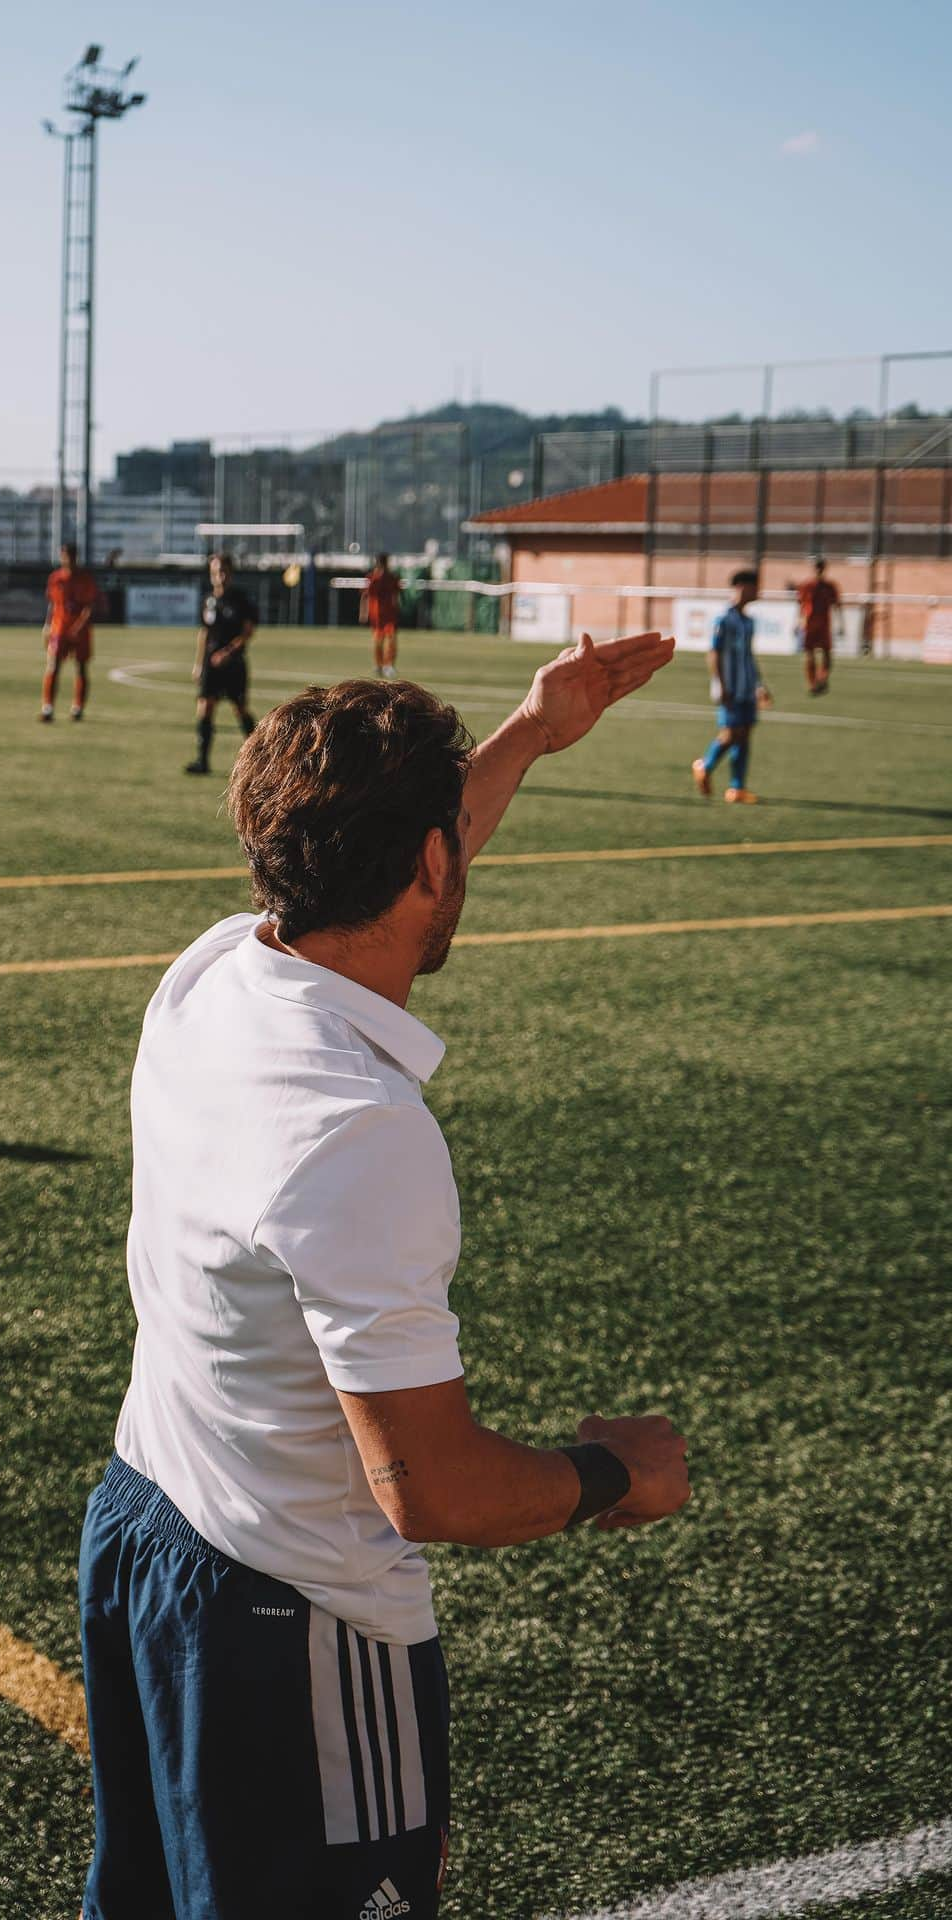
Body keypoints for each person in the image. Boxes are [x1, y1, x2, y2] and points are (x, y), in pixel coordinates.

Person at [77, 630, 689, 1920]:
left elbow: (392, 850)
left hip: (145, 1533)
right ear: (429, 863)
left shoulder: (213, 974)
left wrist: (529, 731)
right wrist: (614, 1479)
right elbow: (430, 1487)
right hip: (294, 1625)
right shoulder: (359, 1128)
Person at [691, 570, 771, 804]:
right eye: (754, 587)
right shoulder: (724, 619)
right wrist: (721, 684)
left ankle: (737, 788)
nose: (757, 592)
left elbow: (748, 656)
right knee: (731, 733)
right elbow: (714, 653)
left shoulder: (748, 622)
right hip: (731, 689)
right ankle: (704, 765)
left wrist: (759, 685)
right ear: (741, 587)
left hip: (746, 688)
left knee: (744, 734)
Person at [185, 552, 258, 775]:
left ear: (231, 573)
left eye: (224, 571)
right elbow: (204, 633)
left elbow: (248, 632)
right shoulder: (208, 600)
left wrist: (228, 652)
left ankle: (261, 758)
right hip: (211, 664)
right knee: (205, 708)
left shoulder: (241, 600)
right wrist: (199, 664)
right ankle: (202, 761)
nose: (220, 576)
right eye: (216, 572)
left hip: (234, 664)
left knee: (240, 710)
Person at [41, 542, 99, 723]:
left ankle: (78, 708)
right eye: (64, 555)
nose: (66, 559)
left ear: (75, 557)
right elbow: (52, 604)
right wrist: (47, 625)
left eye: (70, 555)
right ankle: (48, 708)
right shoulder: (55, 578)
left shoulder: (85, 578)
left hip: (80, 631)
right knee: (53, 665)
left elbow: (89, 606)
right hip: (59, 628)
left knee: (81, 668)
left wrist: (80, 626)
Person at [793, 557, 842, 695]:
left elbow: (837, 605)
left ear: (824, 569)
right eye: (817, 567)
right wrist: (798, 622)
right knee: (810, 654)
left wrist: (841, 623)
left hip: (824, 623)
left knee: (826, 653)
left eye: (820, 567)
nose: (819, 570)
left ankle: (822, 678)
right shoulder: (806, 586)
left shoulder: (830, 586)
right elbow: (801, 605)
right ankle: (813, 683)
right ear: (814, 569)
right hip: (809, 623)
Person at [361, 553, 402, 678]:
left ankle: (389, 665)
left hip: (390, 614)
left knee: (391, 638)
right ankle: (379, 665)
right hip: (377, 614)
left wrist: (398, 608)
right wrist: (364, 612)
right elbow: (366, 595)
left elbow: (397, 594)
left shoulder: (392, 577)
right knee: (378, 640)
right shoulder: (373, 578)